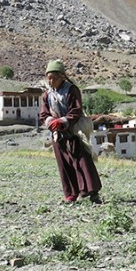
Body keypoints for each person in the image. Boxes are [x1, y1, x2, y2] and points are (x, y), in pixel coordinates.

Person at [38, 59, 102, 204]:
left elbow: (76, 110)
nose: (50, 80)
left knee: (82, 161)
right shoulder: (47, 94)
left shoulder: (71, 90)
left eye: (53, 77)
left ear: (62, 76)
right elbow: (43, 114)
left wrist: (62, 121)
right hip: (58, 134)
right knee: (64, 164)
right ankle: (71, 194)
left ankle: (93, 193)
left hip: (73, 132)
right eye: (48, 78)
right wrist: (51, 123)